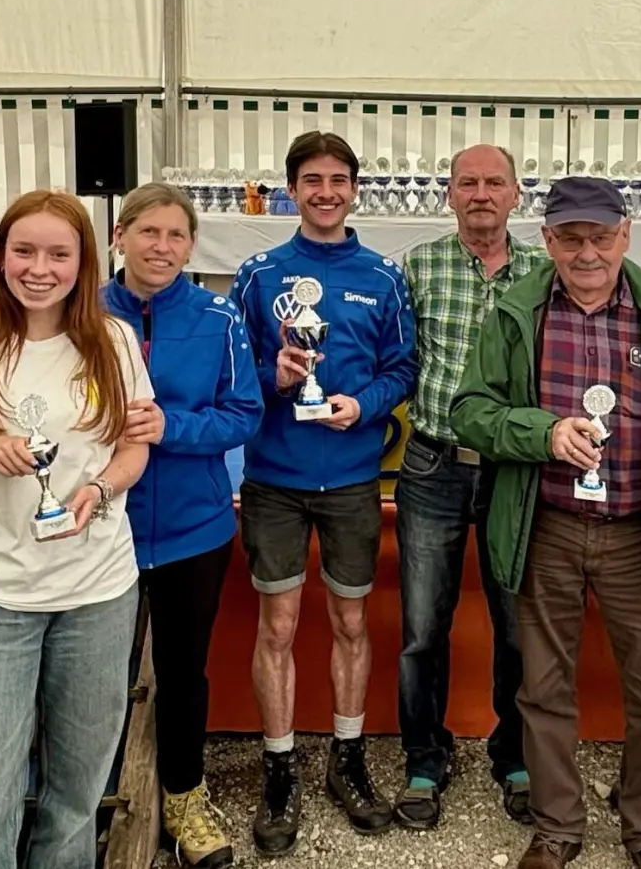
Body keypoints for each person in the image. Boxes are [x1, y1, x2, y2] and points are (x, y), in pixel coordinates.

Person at [449, 175, 641, 869]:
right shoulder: (515, 314)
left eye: (600, 236)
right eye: (570, 237)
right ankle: (556, 827)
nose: (586, 252)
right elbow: (469, 412)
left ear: (626, 234)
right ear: (546, 239)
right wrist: (543, 433)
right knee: (542, 686)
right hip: (543, 525)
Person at [0, 190, 152, 869]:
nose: (39, 268)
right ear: (0, 257)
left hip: (99, 594)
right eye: (24, 250)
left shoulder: (112, 340)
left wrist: (100, 488)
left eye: (58, 253)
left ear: (85, 262)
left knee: (77, 792)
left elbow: (134, 447)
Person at [230, 130, 417, 853]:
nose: (327, 192)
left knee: (349, 624)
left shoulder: (383, 276)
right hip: (275, 479)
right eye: (313, 180)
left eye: (339, 179)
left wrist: (363, 406)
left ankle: (347, 757)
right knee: (276, 628)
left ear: (354, 188)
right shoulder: (259, 273)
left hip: (350, 480)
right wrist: (271, 377)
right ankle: (280, 768)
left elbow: (402, 367)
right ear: (292, 189)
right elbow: (236, 363)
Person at [102, 182, 262, 869]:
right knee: (93, 675)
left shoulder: (218, 319)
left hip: (193, 530)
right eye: (147, 232)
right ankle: (87, 797)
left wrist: (174, 427)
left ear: (190, 246)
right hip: (97, 526)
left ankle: (183, 797)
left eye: (174, 236)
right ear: (119, 237)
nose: (161, 247)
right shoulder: (79, 312)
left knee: (181, 670)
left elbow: (244, 414)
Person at [393, 143, 542, 829]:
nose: (480, 193)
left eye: (494, 183)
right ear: (447, 194)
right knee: (425, 627)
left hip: (515, 469)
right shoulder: (418, 267)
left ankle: (515, 753)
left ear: (517, 195)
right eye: (467, 183)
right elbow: (396, 359)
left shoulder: (545, 271)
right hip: (431, 465)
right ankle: (425, 759)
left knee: (519, 628)